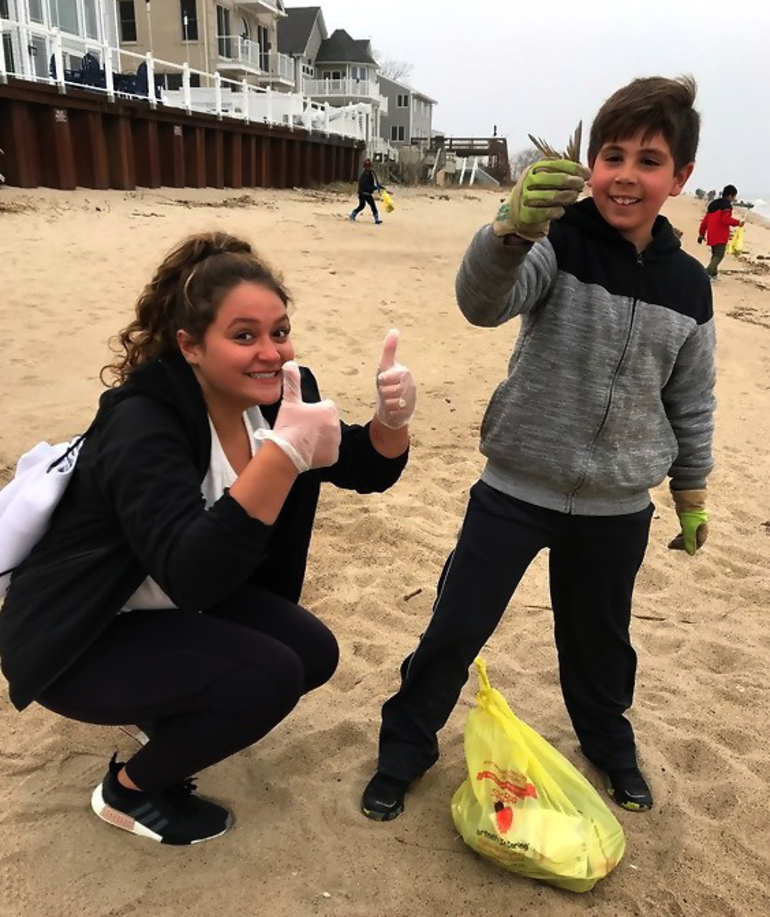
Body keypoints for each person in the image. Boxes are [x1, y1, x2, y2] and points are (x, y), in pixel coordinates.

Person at [362, 75, 715, 822]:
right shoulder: (558, 239)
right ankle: (406, 745)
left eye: (649, 160)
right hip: (516, 488)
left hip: (619, 505)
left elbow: (690, 397)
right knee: (456, 625)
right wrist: (509, 230)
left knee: (601, 644)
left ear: (680, 177)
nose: (626, 174)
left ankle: (608, 744)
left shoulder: (690, 286)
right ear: (590, 165)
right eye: (611, 155)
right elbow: (482, 302)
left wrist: (691, 490)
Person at [0, 231, 416, 845]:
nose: (270, 353)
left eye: (279, 331)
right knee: (267, 676)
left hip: (171, 606)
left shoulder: (277, 395)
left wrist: (390, 423)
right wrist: (282, 458)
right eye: (244, 336)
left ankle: (161, 711)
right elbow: (191, 569)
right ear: (190, 346)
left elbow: (357, 463)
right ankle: (130, 791)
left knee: (313, 654)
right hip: (83, 632)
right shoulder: (142, 424)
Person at [698, 184, 744, 280]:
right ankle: (707, 273)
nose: (734, 198)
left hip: (711, 234)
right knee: (719, 255)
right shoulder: (726, 206)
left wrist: (701, 234)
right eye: (734, 196)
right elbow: (725, 219)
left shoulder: (713, 205)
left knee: (715, 254)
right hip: (720, 235)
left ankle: (714, 273)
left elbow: (705, 221)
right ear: (730, 196)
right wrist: (738, 222)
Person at [350, 158, 384, 225]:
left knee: (372, 206)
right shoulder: (363, 176)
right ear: (365, 167)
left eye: (369, 166)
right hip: (363, 193)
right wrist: (374, 188)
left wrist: (378, 186)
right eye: (367, 167)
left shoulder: (371, 174)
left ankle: (377, 219)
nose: (368, 168)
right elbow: (366, 186)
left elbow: (371, 183)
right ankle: (353, 214)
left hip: (368, 193)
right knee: (362, 205)